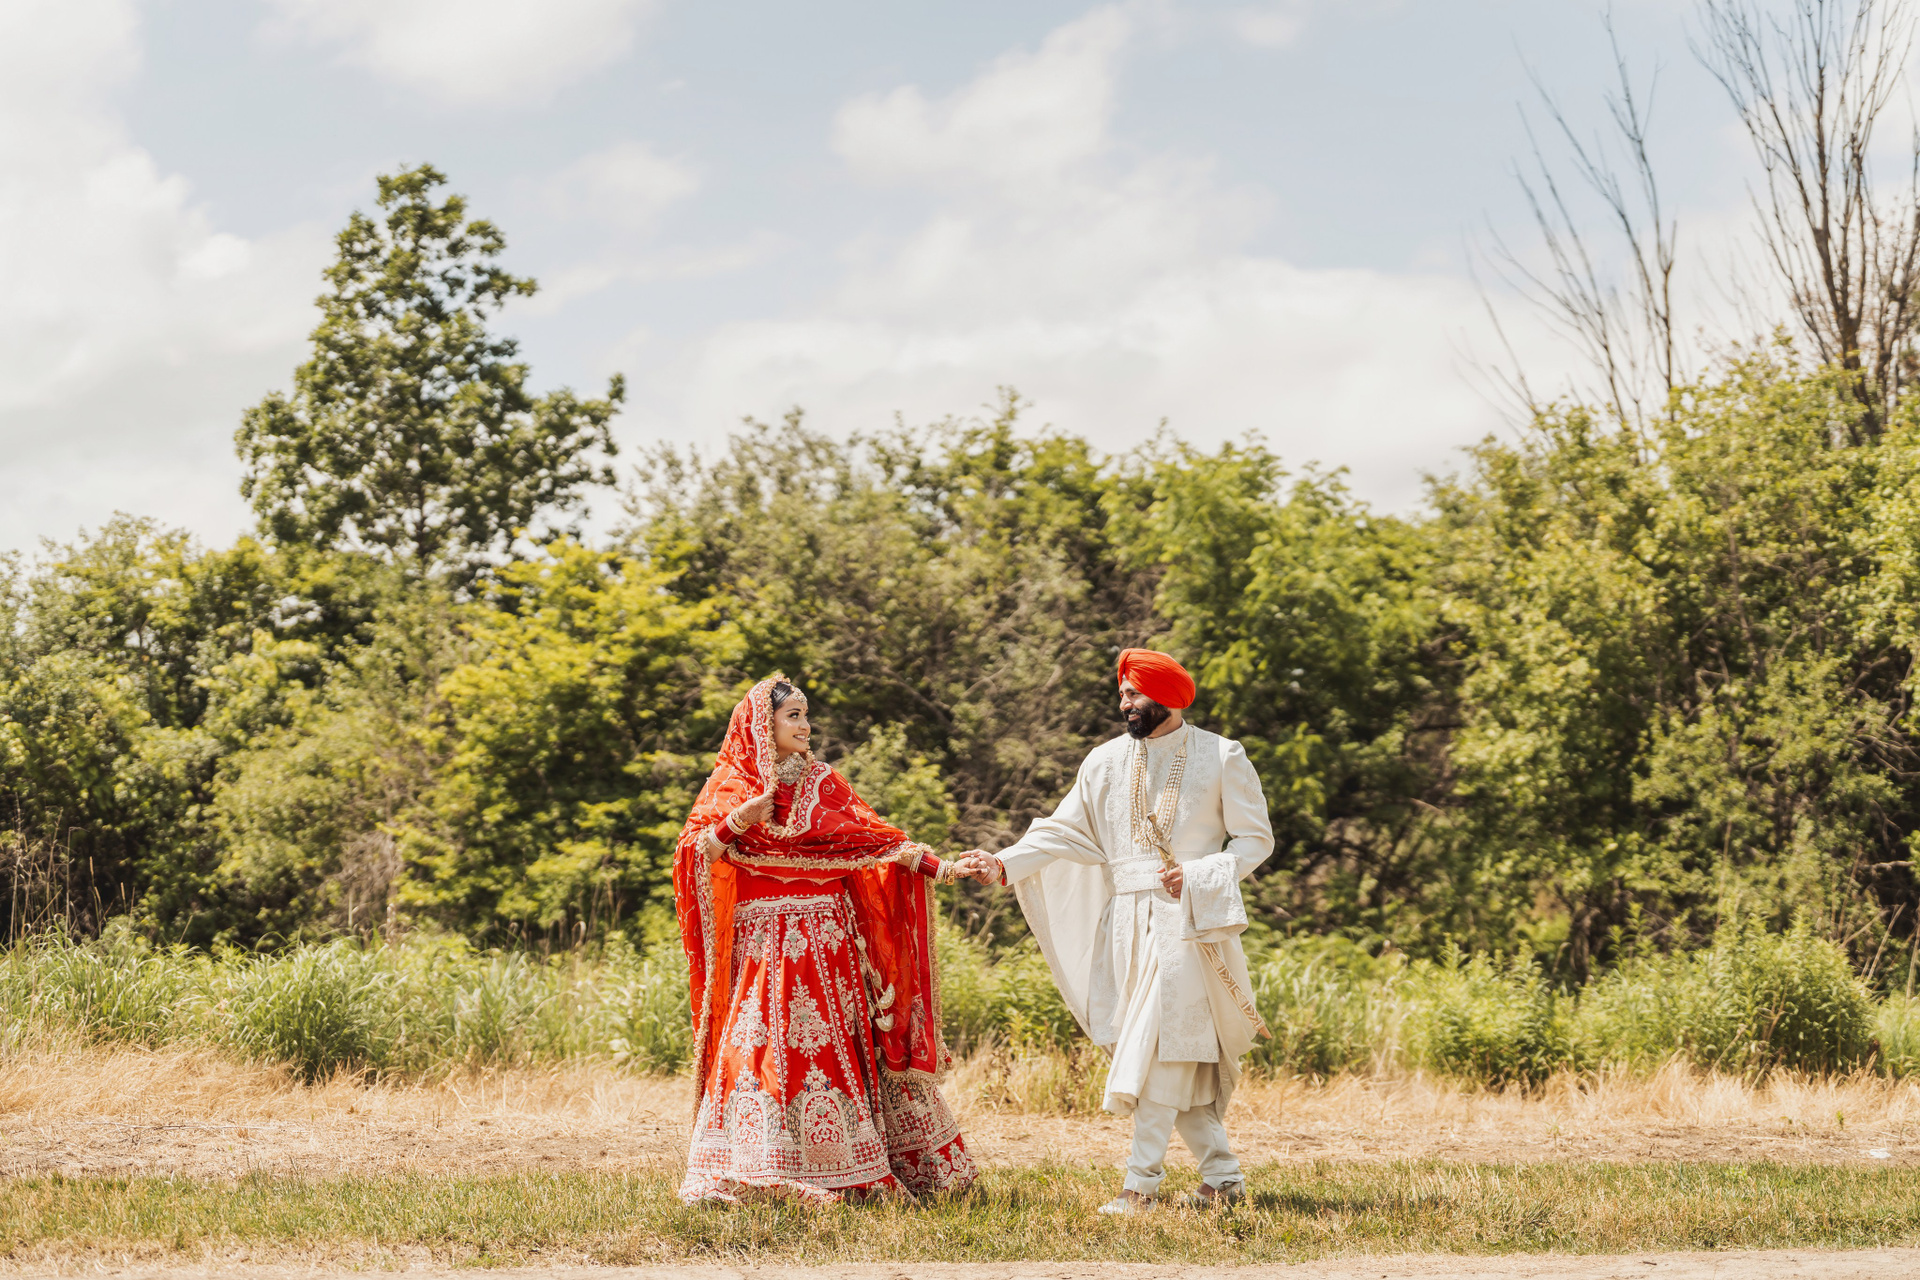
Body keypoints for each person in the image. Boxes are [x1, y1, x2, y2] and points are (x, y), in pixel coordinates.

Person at [958, 649, 1274, 1214]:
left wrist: (1201, 873)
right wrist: (1002, 863)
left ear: (1167, 697)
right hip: (1124, 926)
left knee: (1158, 1054)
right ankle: (1224, 1180)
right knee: (1164, 1054)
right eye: (1122, 693)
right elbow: (1061, 833)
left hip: (1187, 925)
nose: (1124, 703)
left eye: (1133, 694)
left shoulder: (1222, 755)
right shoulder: (1102, 761)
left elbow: (1256, 840)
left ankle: (1139, 1187)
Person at [673, 674, 981, 1205]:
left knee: (832, 1050)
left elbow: (878, 842)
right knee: (759, 1048)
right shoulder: (732, 784)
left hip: (828, 942)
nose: (805, 726)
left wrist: (946, 868)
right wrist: (739, 820)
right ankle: (757, 1165)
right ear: (762, 723)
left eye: (806, 715)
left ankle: (850, 1166)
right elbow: (695, 855)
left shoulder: (823, 783)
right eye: (793, 715)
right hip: (763, 944)